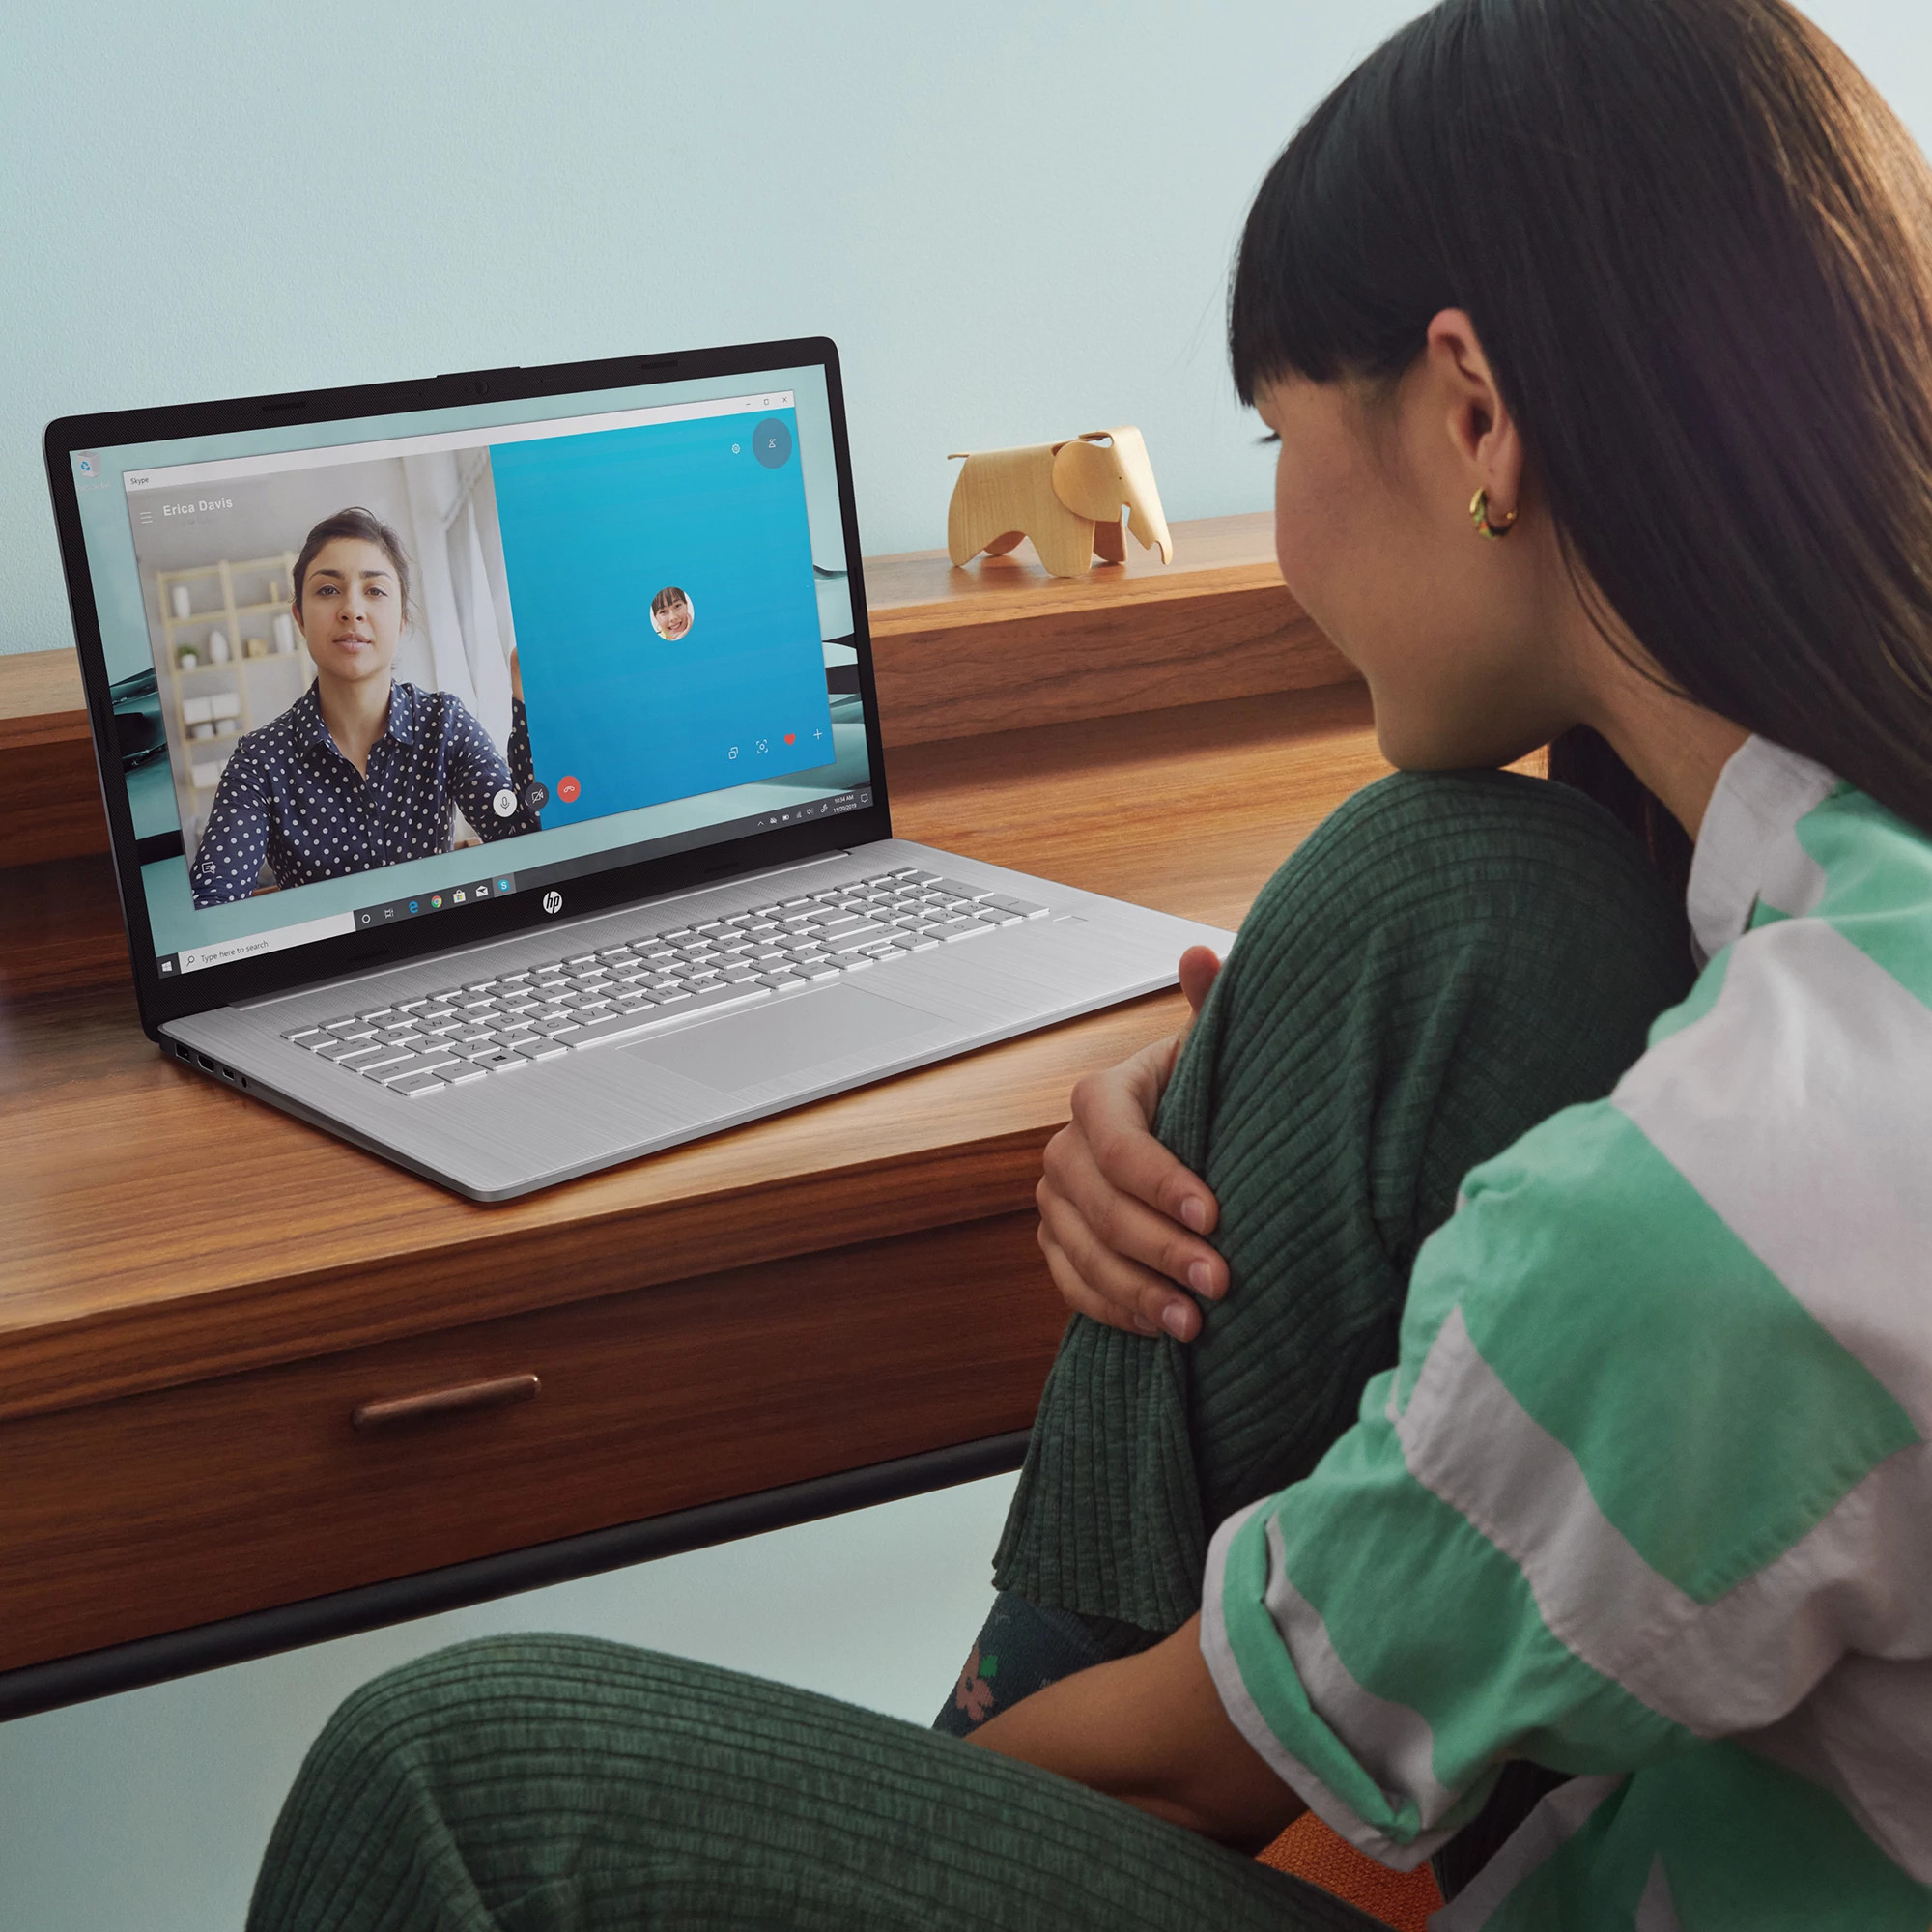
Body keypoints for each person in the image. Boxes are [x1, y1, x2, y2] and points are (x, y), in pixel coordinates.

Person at [244, 2, 1932, 1926]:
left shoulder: (1737, 1200)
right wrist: (1241, 1075)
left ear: (1474, 416)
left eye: (1275, 432)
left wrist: (850, 1836)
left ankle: (959, 1726)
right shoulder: (1825, 934)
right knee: (1443, 895)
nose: (1281, 520)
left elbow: (1215, 1748)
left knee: (446, 1771)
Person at [186, 507, 541, 907]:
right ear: (299, 618)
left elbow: (528, 845)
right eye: (327, 590)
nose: (351, 610)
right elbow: (210, 905)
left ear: (402, 618)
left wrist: (532, 711)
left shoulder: (445, 725)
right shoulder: (260, 762)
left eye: (374, 591)